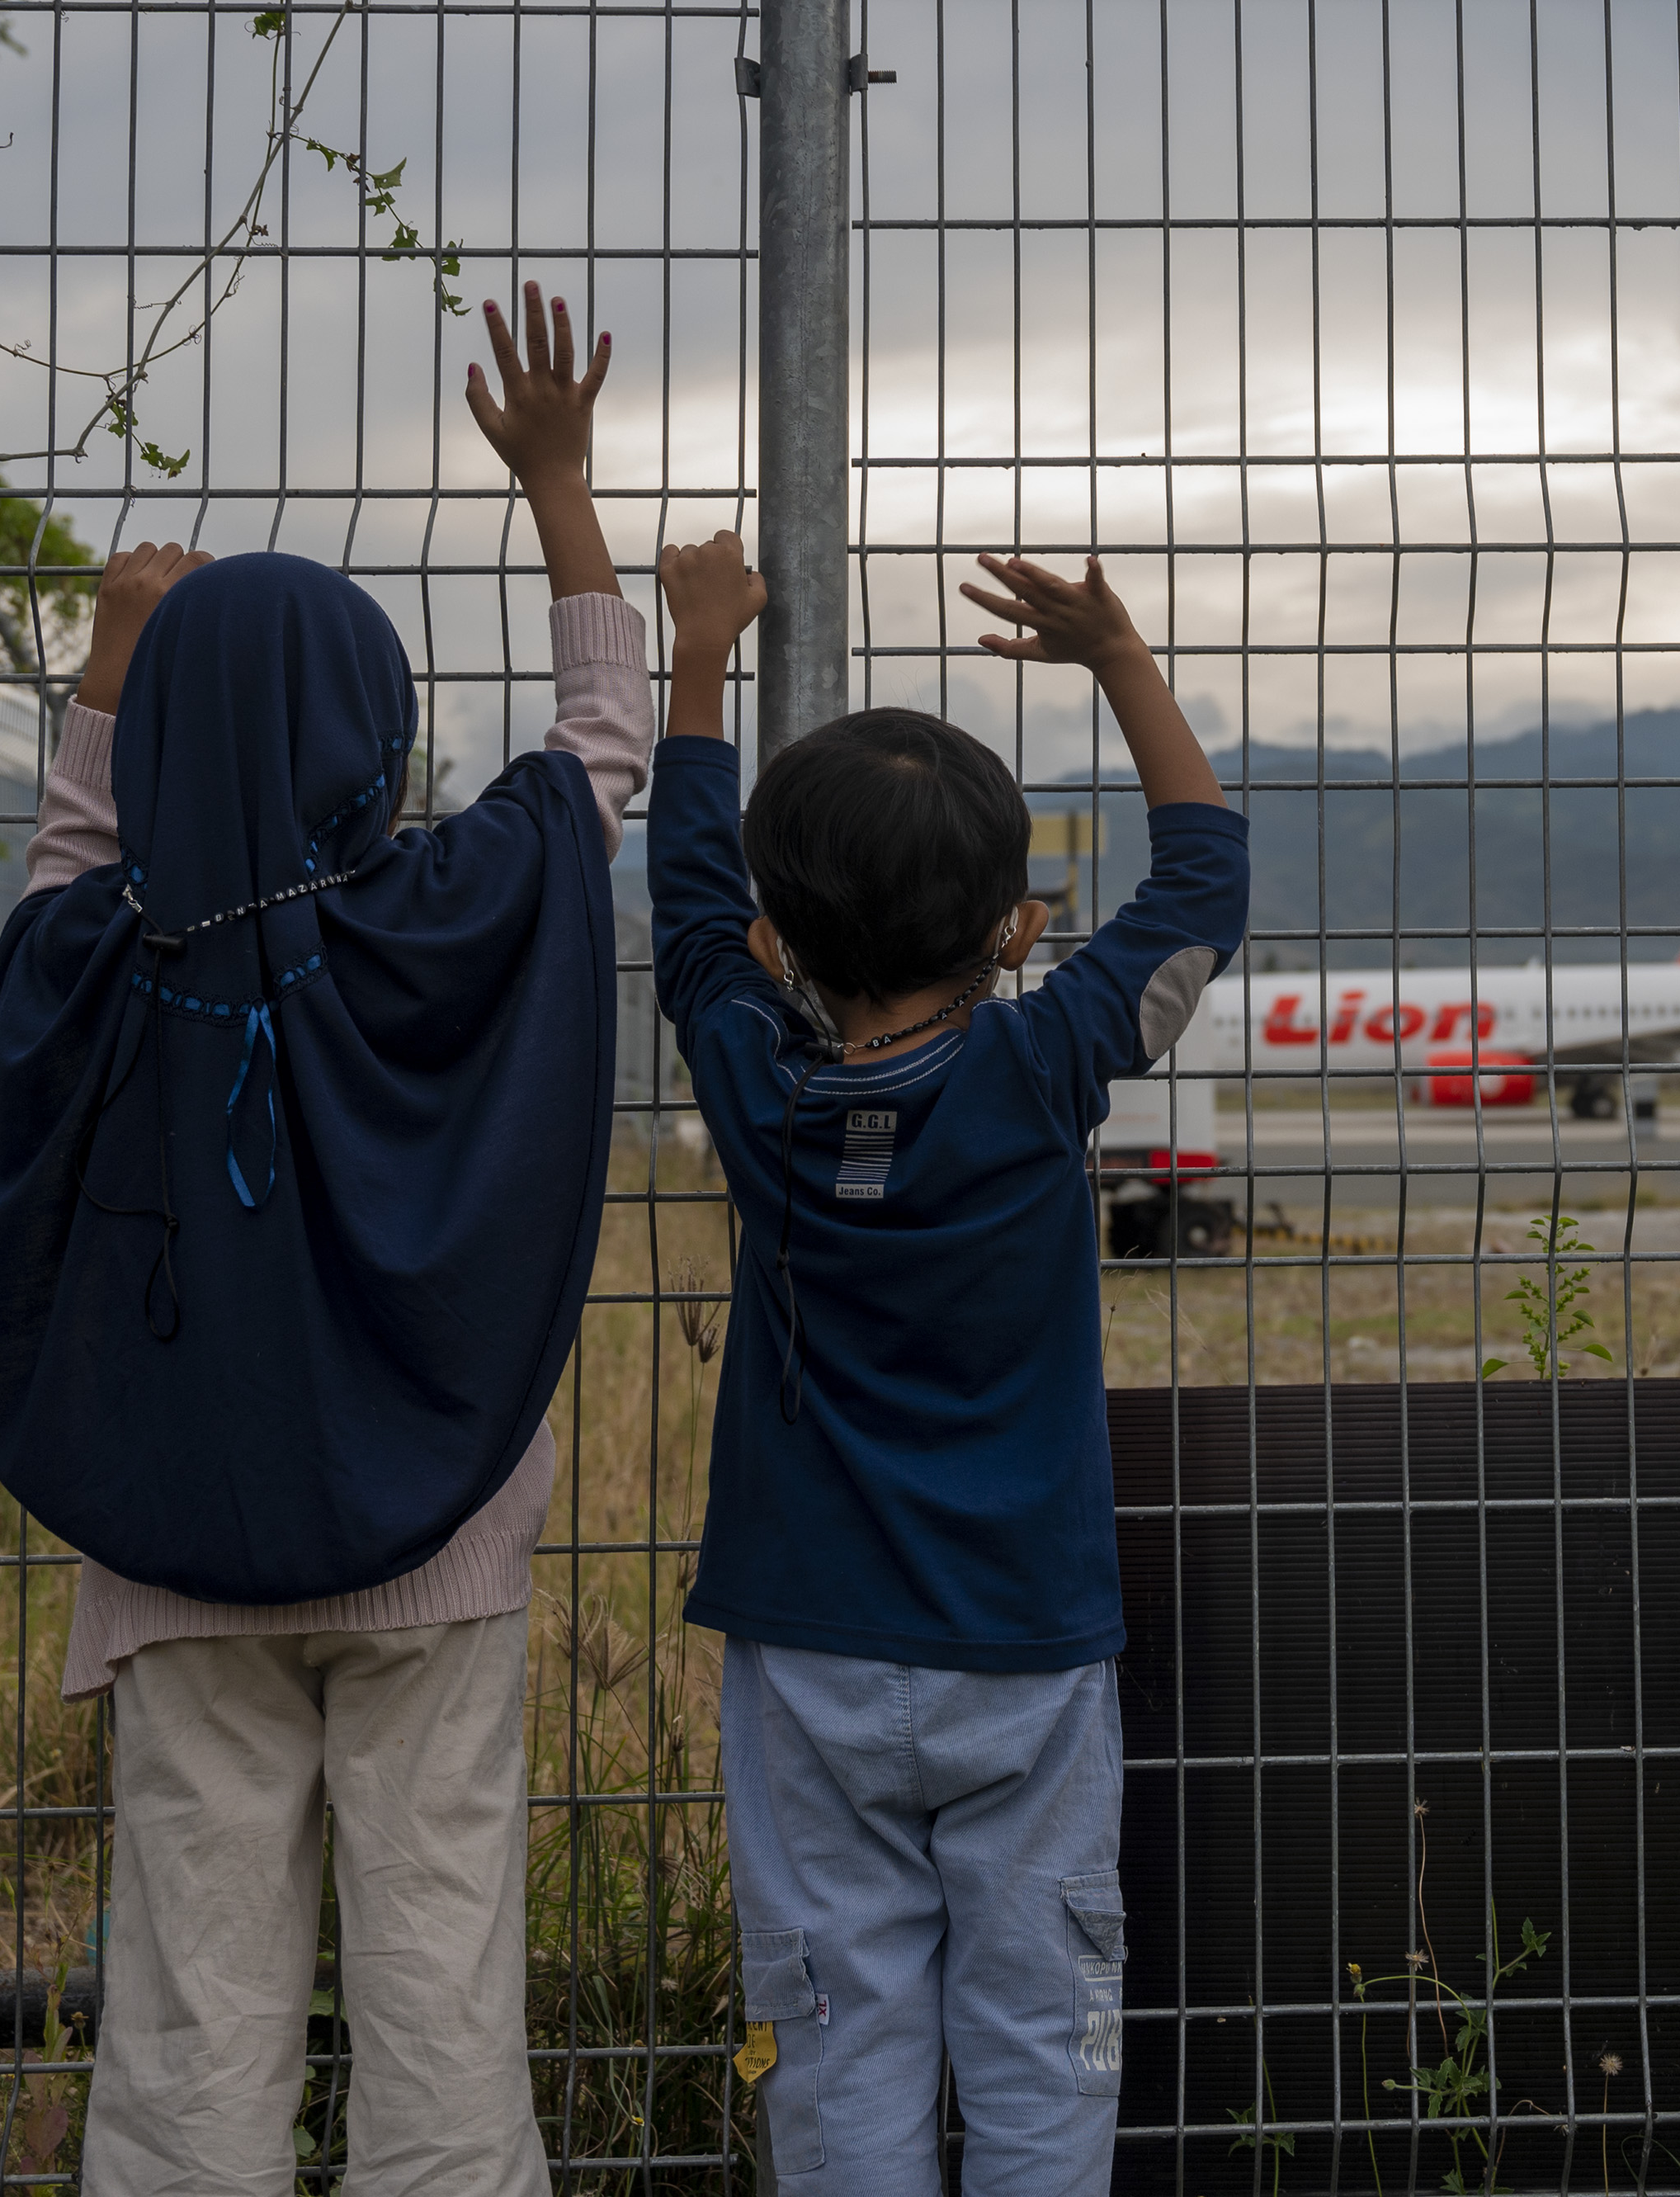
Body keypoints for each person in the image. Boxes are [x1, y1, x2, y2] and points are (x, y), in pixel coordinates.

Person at [0, 282, 648, 2193]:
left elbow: (67, 859)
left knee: (190, 2014)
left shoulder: (94, 954)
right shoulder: (455, 903)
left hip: (169, 1553)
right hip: (437, 1548)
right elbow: (600, 742)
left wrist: (113, 664)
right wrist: (557, 485)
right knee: (441, 1995)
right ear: (377, 733)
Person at [647, 532, 1246, 2194]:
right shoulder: (1049, 1064)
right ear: (1017, 927)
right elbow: (1202, 885)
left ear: (776, 935)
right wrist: (1118, 656)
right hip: (1023, 1644)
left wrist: (699, 654)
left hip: (805, 1649)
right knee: (1042, 2035)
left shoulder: (752, 1085)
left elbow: (686, 898)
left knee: (837, 2044)